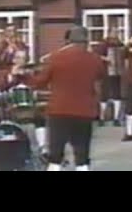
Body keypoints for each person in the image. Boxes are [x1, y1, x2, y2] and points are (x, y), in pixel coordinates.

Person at [31, 26, 105, 171]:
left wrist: (23, 75)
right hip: (84, 111)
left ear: (68, 41)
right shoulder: (94, 59)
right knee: (82, 154)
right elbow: (101, 76)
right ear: (86, 41)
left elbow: (40, 82)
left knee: (56, 154)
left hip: (59, 110)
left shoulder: (55, 57)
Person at [0, 49, 47, 155]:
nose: (19, 61)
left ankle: (42, 148)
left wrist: (27, 79)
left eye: (22, 59)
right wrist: (12, 77)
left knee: (40, 119)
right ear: (13, 59)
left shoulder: (29, 75)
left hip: (27, 107)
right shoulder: (5, 73)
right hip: (10, 107)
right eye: (17, 58)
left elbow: (35, 88)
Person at [92, 27, 124, 127]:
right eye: (114, 32)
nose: (115, 34)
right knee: (104, 96)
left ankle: (116, 118)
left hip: (117, 72)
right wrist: (106, 58)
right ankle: (102, 118)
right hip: (106, 72)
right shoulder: (104, 44)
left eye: (116, 32)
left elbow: (124, 54)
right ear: (109, 33)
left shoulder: (120, 44)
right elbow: (96, 55)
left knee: (117, 95)